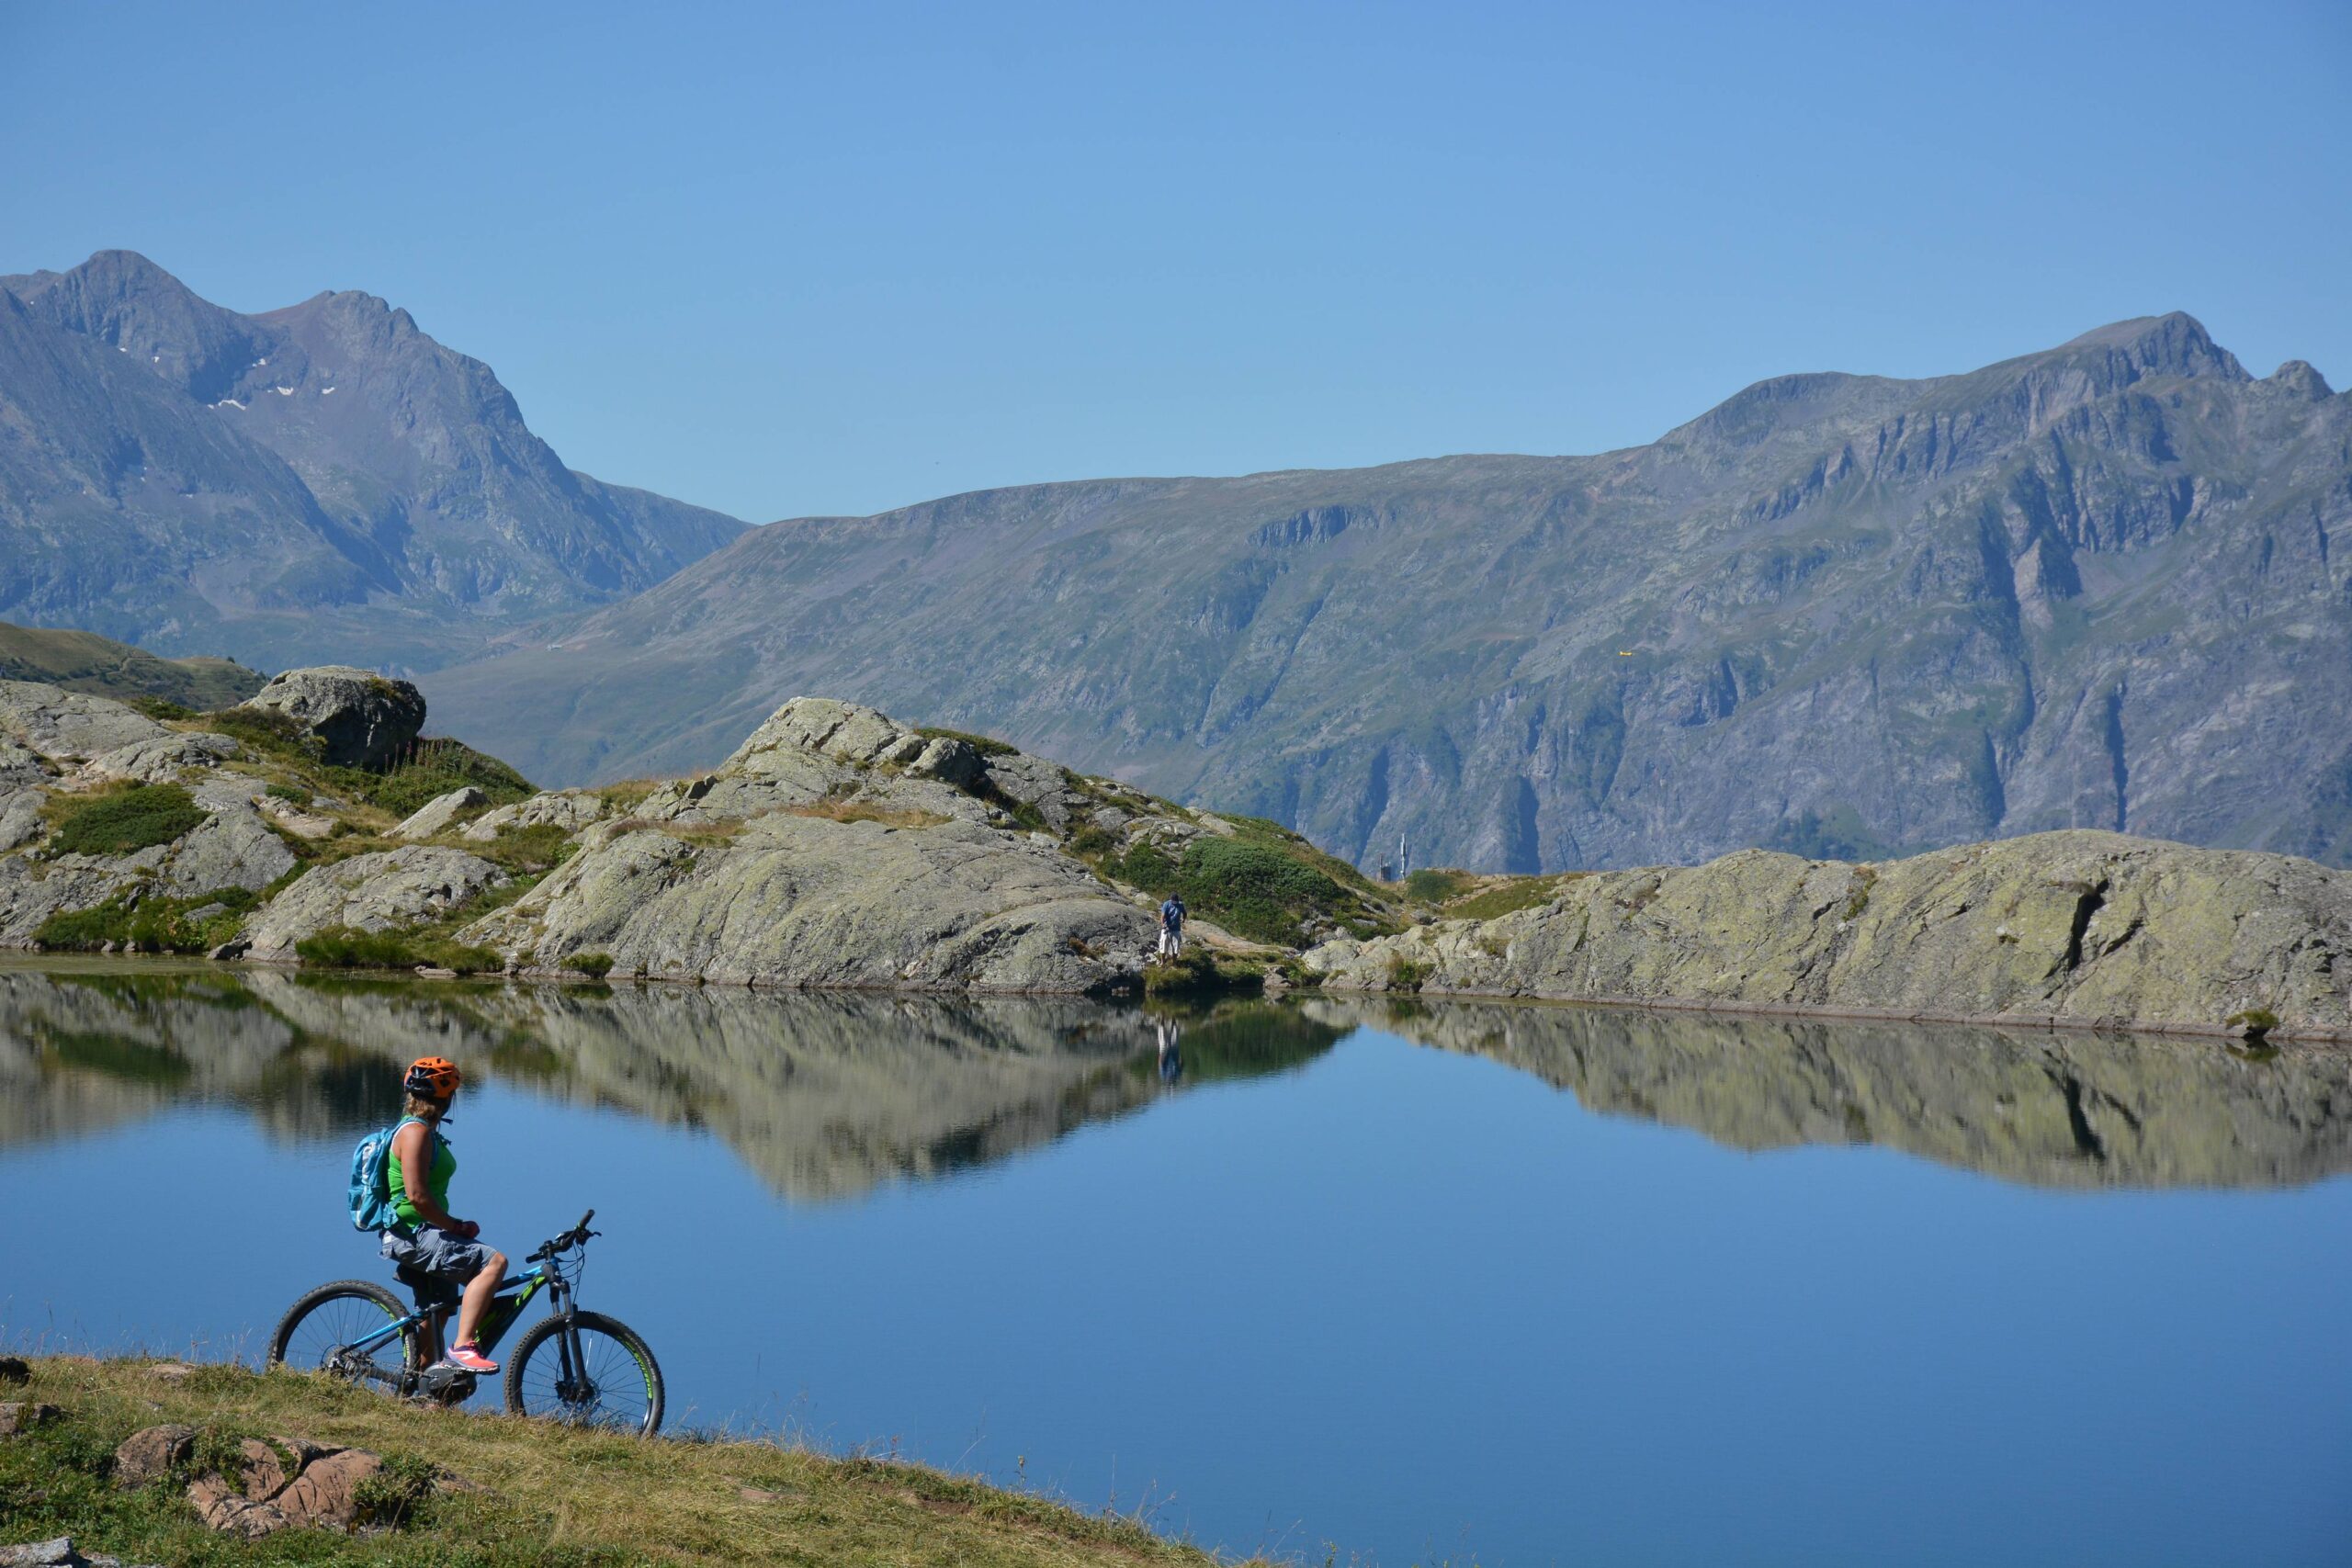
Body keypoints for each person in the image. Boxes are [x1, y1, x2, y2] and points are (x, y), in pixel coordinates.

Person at [382, 1056, 507, 1373]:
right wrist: (456, 1226)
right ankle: (463, 1347)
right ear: (446, 1098)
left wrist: (453, 1227)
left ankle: (421, 1386)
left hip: (422, 1232)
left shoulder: (426, 1133)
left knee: (437, 1313)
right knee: (493, 1262)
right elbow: (418, 1197)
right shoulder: (415, 1133)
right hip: (412, 1233)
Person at [1157, 895, 1186, 961]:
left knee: (1176, 947)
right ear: (1171, 899)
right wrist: (1163, 925)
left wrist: (1184, 919)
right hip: (1166, 928)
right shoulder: (1166, 904)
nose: (1175, 902)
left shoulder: (1180, 904)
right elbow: (1162, 916)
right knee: (1163, 945)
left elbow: (1184, 913)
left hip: (1176, 929)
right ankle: (1162, 962)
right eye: (1174, 901)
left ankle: (1174, 963)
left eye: (1176, 901)